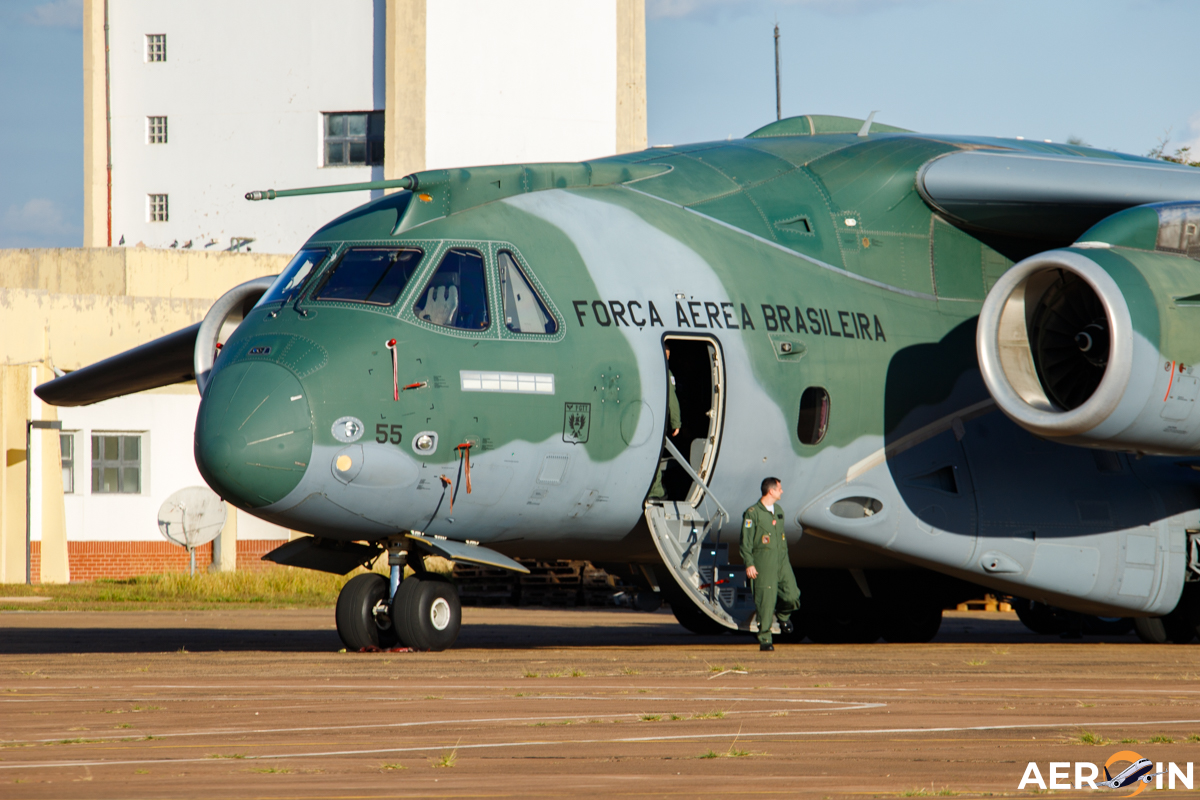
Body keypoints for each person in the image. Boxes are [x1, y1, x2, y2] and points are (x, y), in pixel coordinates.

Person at [741, 477, 800, 651]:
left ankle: (783, 616)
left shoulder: (779, 510)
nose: (782, 491)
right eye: (779, 488)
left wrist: (784, 559)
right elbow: (746, 542)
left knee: (792, 594)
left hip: (781, 560)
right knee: (765, 601)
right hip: (762, 561)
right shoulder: (752, 513)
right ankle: (765, 638)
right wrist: (749, 564)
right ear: (771, 491)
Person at [648, 345, 681, 500]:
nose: (667, 358)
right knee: (654, 456)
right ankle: (656, 491)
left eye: (669, 355)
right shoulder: (665, 373)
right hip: (656, 423)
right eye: (666, 354)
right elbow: (672, 401)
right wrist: (676, 423)